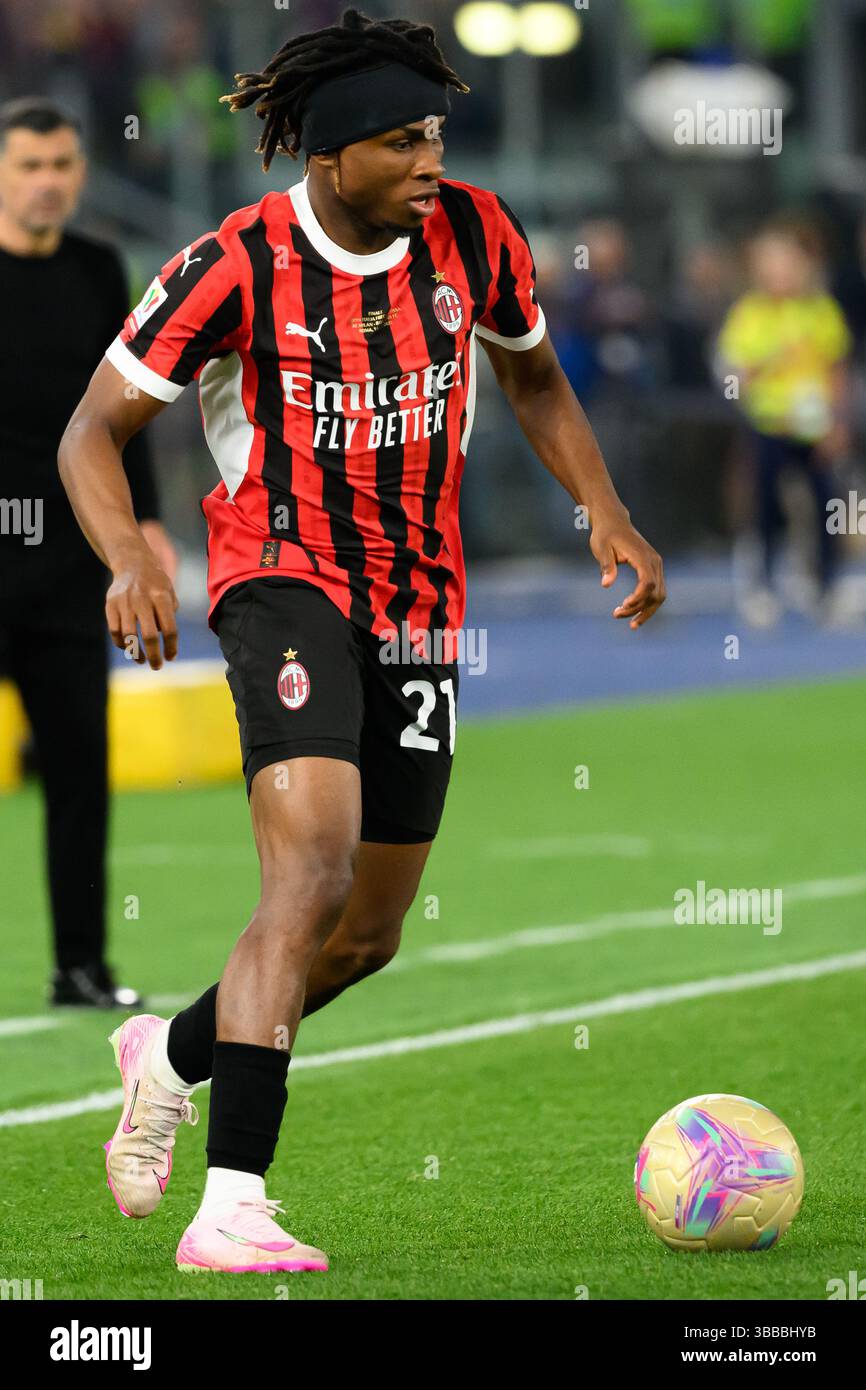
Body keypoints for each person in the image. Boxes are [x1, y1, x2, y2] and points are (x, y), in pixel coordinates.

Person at [58, 8, 665, 1275]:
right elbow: (89, 433)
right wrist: (131, 553)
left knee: (369, 933)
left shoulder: (475, 233)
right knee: (312, 868)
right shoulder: (233, 263)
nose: (430, 159)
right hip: (279, 578)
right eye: (403, 141)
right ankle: (231, 1201)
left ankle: (168, 1054)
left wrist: (602, 510)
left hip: (417, 601)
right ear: (331, 158)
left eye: (436, 133)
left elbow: (535, 375)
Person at [0, 97, 175, 1009]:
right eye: (30, 164)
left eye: (63, 164)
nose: (48, 182)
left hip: (69, 565)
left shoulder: (100, 268)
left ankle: (81, 968)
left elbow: (128, 410)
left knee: (79, 772)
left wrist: (141, 529)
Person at [717, 222, 852, 626]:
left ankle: (825, 587)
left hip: (815, 427)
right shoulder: (749, 314)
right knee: (764, 510)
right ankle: (761, 588)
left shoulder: (820, 309)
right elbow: (734, 375)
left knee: (827, 505)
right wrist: (768, 362)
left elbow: (837, 368)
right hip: (769, 424)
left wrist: (839, 423)